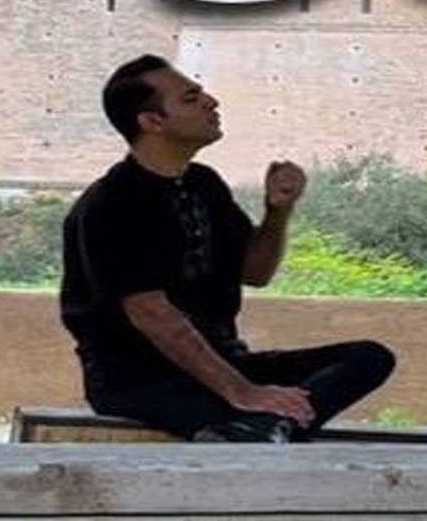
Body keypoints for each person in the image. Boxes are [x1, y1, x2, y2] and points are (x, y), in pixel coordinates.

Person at [60, 54, 395, 442]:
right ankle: (263, 428)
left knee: (368, 357)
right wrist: (243, 392)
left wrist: (278, 211)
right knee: (230, 412)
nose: (211, 102)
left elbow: (255, 271)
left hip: (226, 362)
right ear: (152, 122)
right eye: (191, 98)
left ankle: (267, 429)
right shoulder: (111, 205)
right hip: (140, 378)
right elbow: (153, 315)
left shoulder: (204, 184)